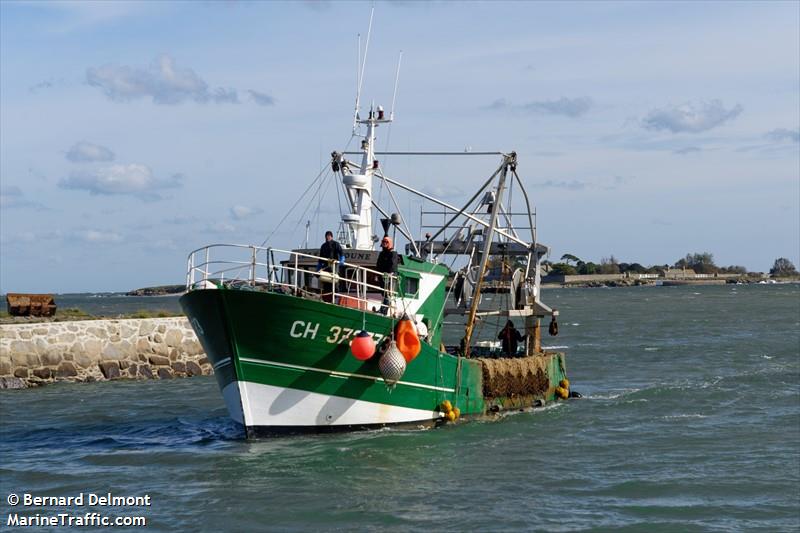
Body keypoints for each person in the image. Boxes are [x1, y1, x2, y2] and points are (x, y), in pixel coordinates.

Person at [317, 231, 344, 301]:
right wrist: (319, 266)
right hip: (326, 265)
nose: (327, 237)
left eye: (329, 236)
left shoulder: (336, 244)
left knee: (335, 278)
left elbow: (341, 252)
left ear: (331, 237)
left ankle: (336, 295)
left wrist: (342, 259)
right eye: (326, 236)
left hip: (335, 264)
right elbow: (321, 258)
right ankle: (326, 296)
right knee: (326, 280)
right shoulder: (323, 246)